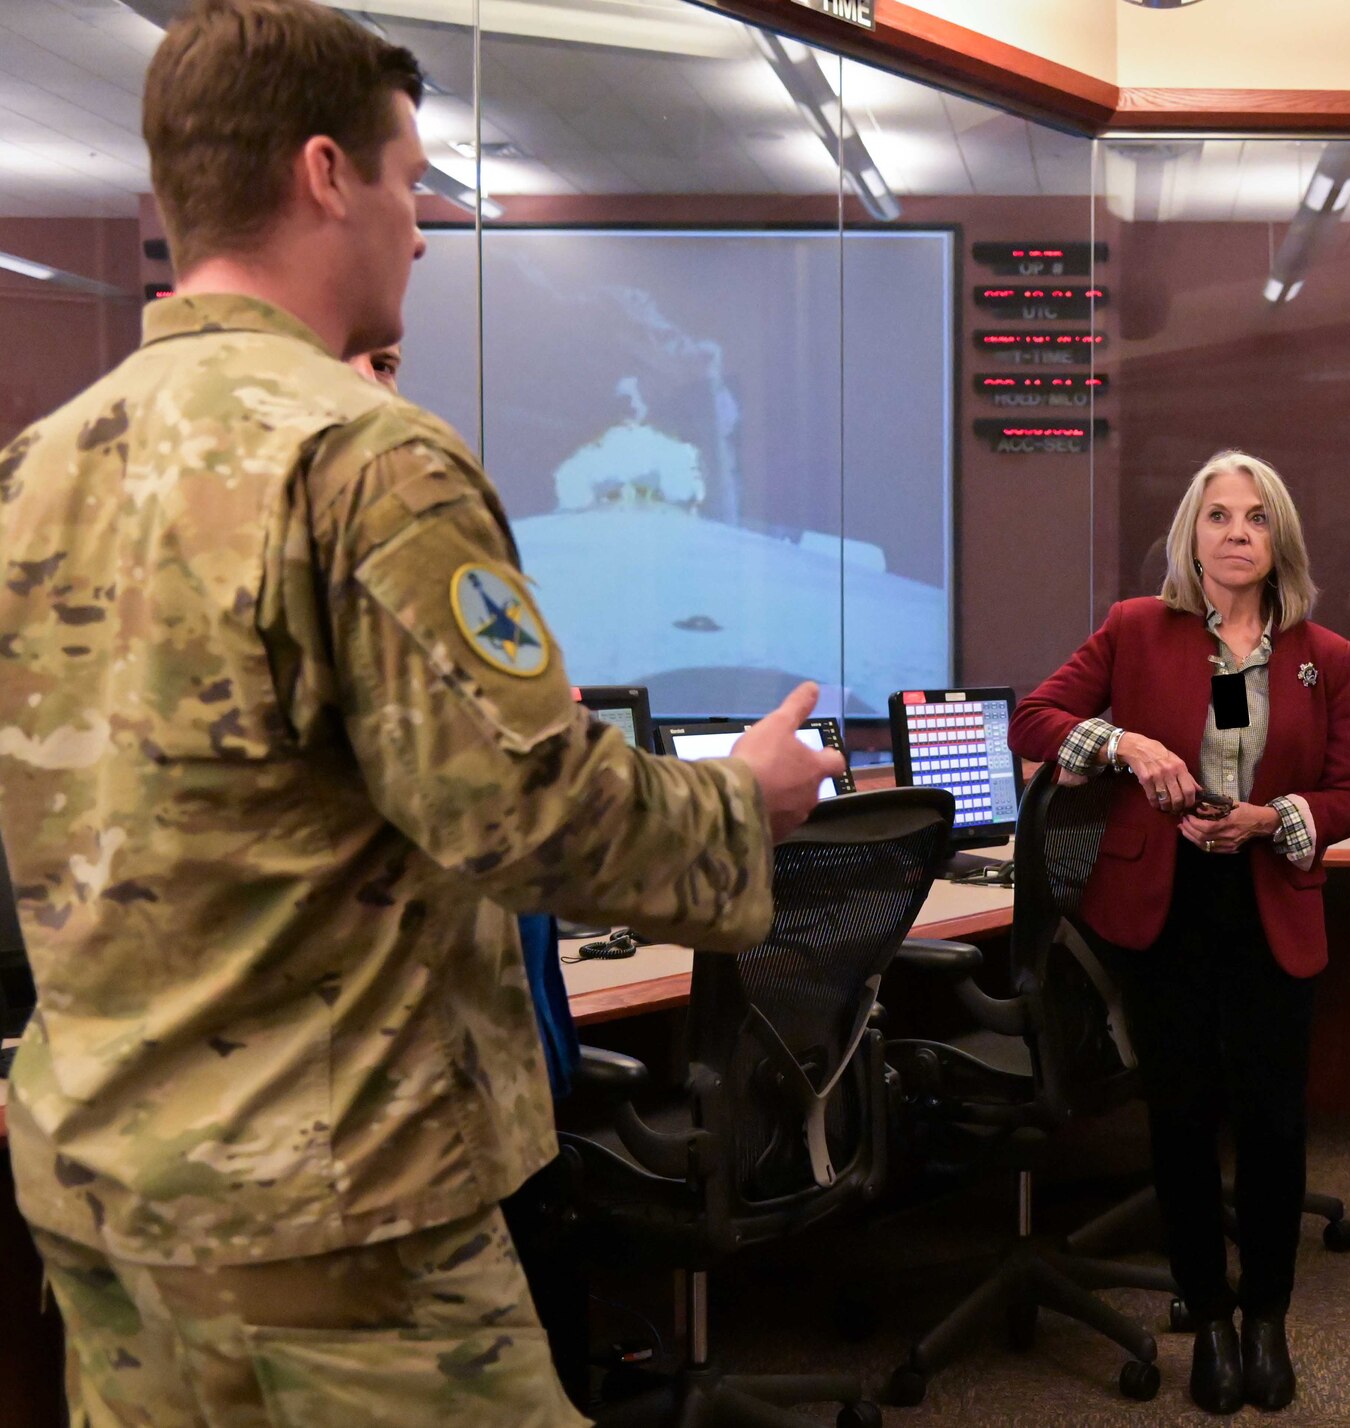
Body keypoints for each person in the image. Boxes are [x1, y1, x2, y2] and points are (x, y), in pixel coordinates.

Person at [0, 3, 843, 1424]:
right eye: (410, 182)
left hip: (106, 1201)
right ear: (326, 174)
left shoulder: (38, 465)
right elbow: (528, 815)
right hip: (340, 1224)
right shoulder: (363, 457)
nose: (425, 231)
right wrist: (736, 799)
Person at [1012, 450, 1350, 1415]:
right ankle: (1207, 1320)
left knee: (1272, 1125)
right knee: (1178, 1119)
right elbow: (1034, 718)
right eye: (1218, 516)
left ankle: (1266, 1321)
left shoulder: (1321, 654)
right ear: (1193, 533)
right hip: (1163, 909)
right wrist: (1123, 743)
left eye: (1256, 517)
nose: (1237, 533)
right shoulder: (1138, 630)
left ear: (1278, 537)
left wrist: (1272, 818)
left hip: (1269, 902)